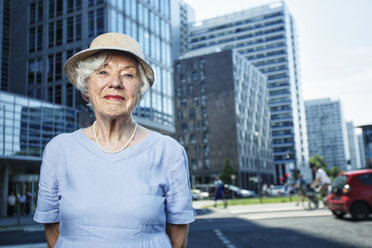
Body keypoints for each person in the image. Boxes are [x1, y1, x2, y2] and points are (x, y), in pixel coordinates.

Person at [33, 33, 195, 248]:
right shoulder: (59, 150)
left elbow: (178, 237)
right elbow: (53, 231)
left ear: (139, 90)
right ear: (86, 89)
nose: (116, 83)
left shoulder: (168, 151)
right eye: (103, 72)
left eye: (128, 75)